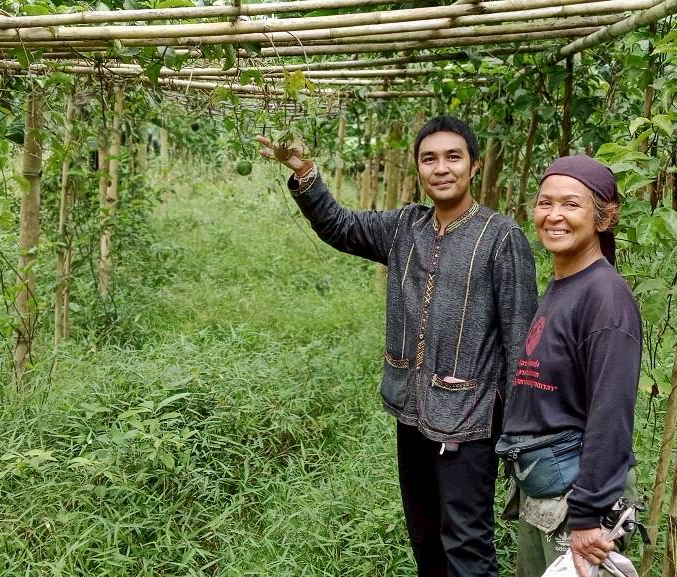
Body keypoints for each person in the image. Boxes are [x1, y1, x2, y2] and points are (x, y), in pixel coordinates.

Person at [255, 117, 537, 577]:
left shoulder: (501, 237)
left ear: (474, 165)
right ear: (418, 169)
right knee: (425, 535)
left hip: (469, 424)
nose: (441, 168)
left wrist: (513, 435)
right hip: (412, 414)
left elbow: (519, 340)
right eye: (429, 159)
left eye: (453, 157)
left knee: (467, 544)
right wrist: (305, 173)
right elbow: (340, 226)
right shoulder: (406, 226)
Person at [497, 155, 642, 577]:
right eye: (545, 203)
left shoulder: (605, 299)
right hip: (545, 496)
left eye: (571, 205)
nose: (554, 216)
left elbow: (610, 414)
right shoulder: (564, 285)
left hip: (576, 507)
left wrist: (587, 515)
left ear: (603, 218)